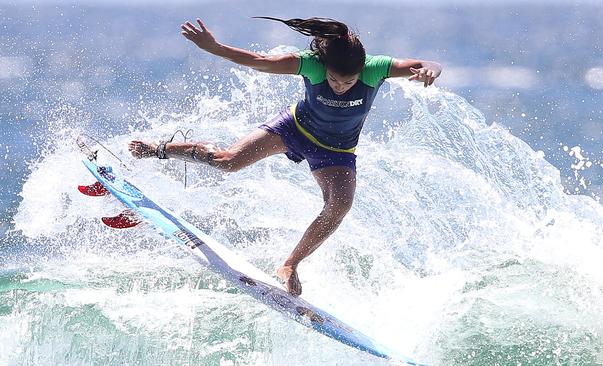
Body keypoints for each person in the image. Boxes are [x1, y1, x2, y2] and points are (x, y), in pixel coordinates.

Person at [128, 17, 442, 296]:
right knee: (228, 161)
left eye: (349, 81)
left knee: (340, 204)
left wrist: (430, 70)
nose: (342, 87)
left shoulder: (376, 69)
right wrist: (215, 47)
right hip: (294, 129)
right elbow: (260, 61)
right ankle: (160, 149)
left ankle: (290, 264)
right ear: (324, 66)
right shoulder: (312, 64)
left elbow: (429, 63)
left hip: (337, 151)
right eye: (335, 80)